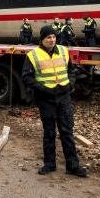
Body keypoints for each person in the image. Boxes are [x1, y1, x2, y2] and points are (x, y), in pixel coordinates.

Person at [22, 25, 88, 178]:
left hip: (64, 96)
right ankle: (50, 164)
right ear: (42, 39)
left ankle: (73, 165)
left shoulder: (64, 51)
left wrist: (70, 84)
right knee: (49, 132)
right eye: (48, 38)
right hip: (46, 98)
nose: (52, 40)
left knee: (67, 131)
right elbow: (27, 77)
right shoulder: (33, 55)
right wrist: (42, 89)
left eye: (53, 37)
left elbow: (71, 71)